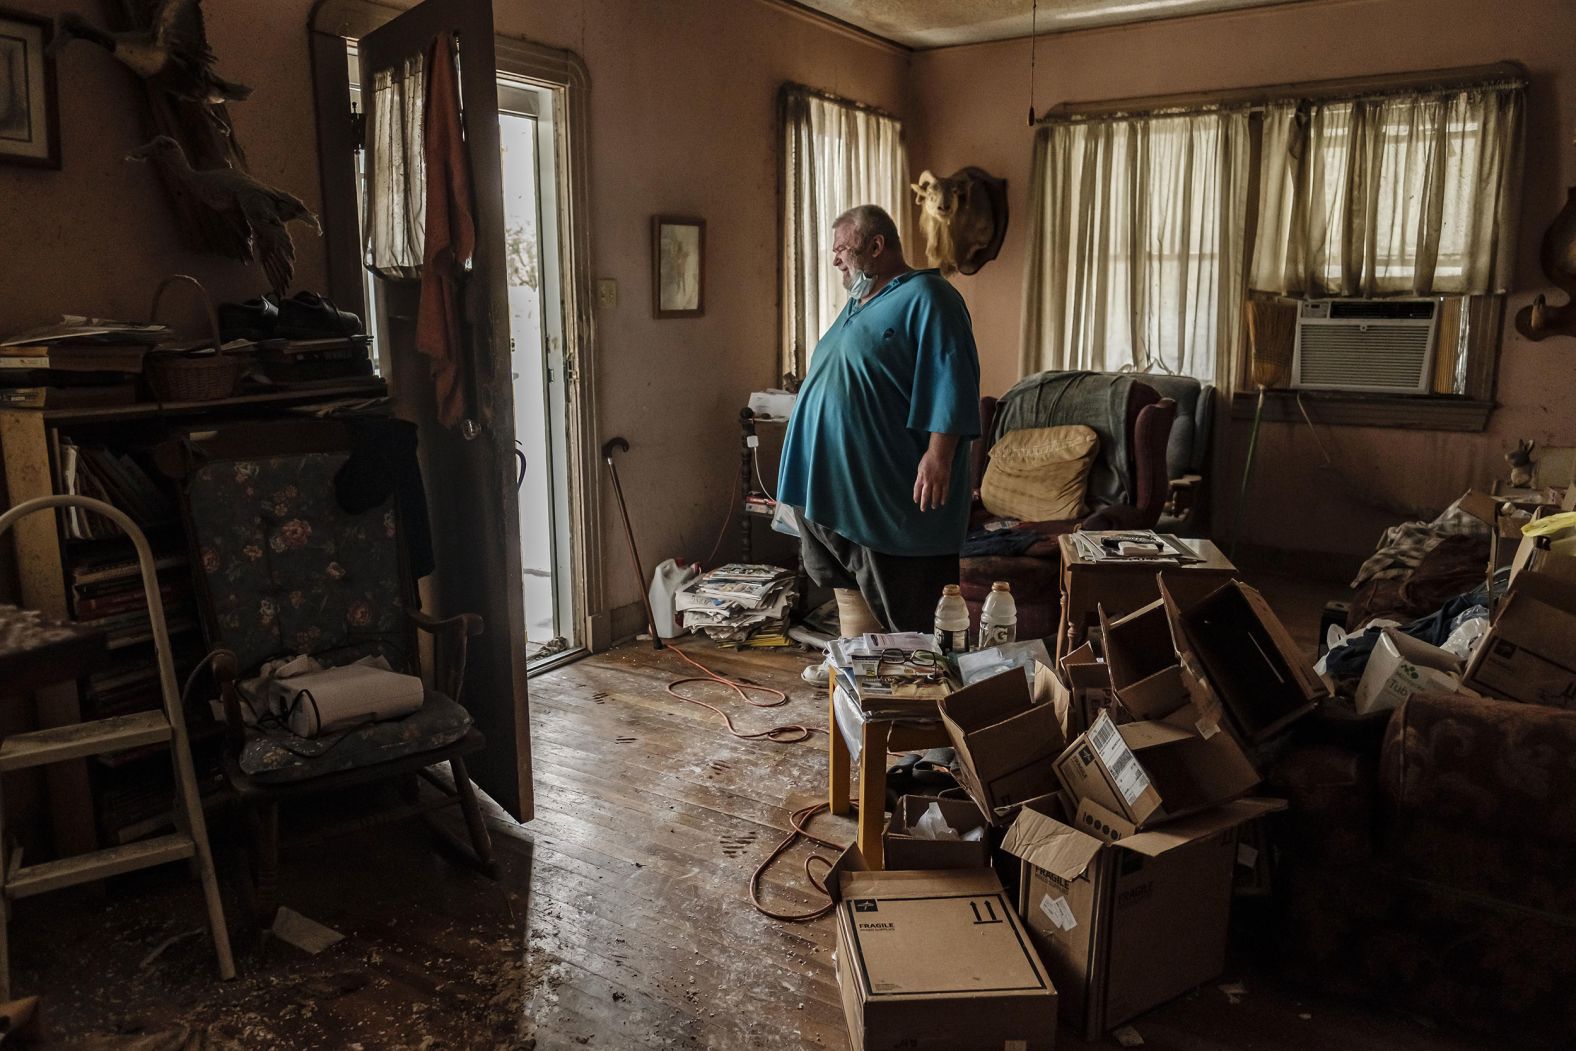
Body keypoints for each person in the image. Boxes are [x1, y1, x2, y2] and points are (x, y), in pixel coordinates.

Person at [778, 204, 981, 682]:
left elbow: (952, 378)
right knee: (849, 579)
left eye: (842, 250)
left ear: (877, 246)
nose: (835, 262)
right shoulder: (858, 302)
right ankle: (856, 667)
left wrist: (938, 456)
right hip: (832, 484)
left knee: (907, 595)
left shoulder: (930, 295)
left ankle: (928, 707)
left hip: (890, 481)